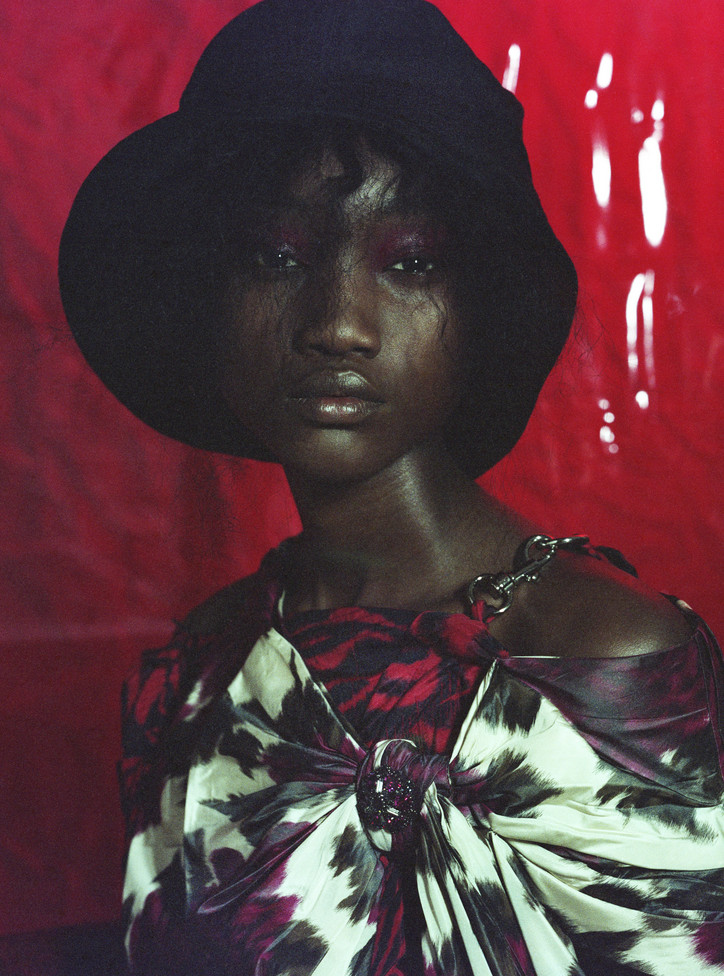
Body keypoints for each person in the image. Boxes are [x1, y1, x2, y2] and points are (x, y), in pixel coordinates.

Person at [58, 1, 724, 973]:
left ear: (479, 301)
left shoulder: (602, 657)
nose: (337, 322)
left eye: (408, 264)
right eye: (275, 256)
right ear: (201, 296)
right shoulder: (198, 679)